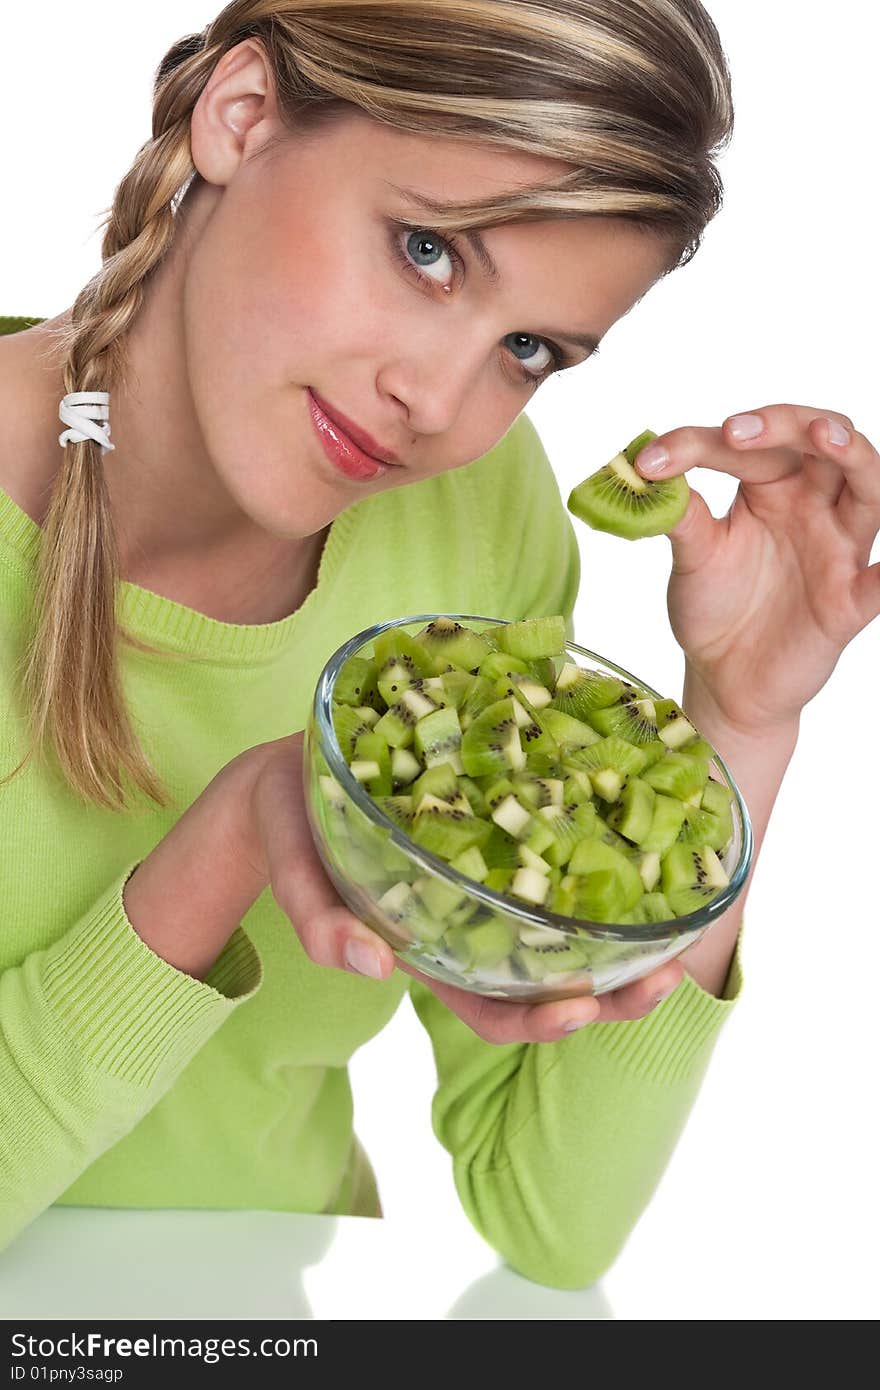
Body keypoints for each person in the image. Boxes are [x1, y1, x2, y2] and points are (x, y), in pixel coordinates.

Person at [1, 1, 877, 1291]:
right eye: (427, 250)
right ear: (240, 114)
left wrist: (741, 724)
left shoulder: (475, 521)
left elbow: (548, 1217)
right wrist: (226, 846)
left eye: (529, 350)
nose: (437, 402)